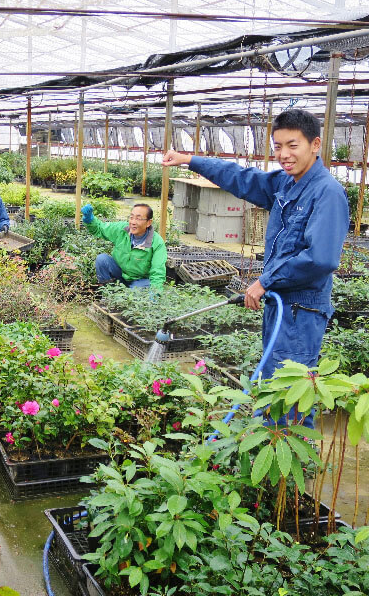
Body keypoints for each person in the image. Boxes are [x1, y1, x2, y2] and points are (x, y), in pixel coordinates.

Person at [162, 109, 349, 425]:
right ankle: (271, 455)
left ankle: (287, 463)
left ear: (315, 145)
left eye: (293, 145)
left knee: (290, 391)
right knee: (272, 384)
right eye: (277, 146)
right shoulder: (285, 183)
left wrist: (265, 280)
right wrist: (189, 160)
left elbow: (321, 258)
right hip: (282, 305)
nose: (283, 155)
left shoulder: (326, 192)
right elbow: (240, 177)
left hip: (301, 310)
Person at [81, 202, 167, 292]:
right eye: (131, 217)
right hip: (120, 274)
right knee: (102, 259)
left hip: (140, 281)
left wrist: (155, 292)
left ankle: (129, 294)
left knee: (136, 290)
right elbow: (100, 228)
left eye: (138, 218)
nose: (133, 222)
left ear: (148, 222)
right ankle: (107, 293)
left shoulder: (157, 243)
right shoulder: (122, 230)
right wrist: (89, 219)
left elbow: (158, 271)